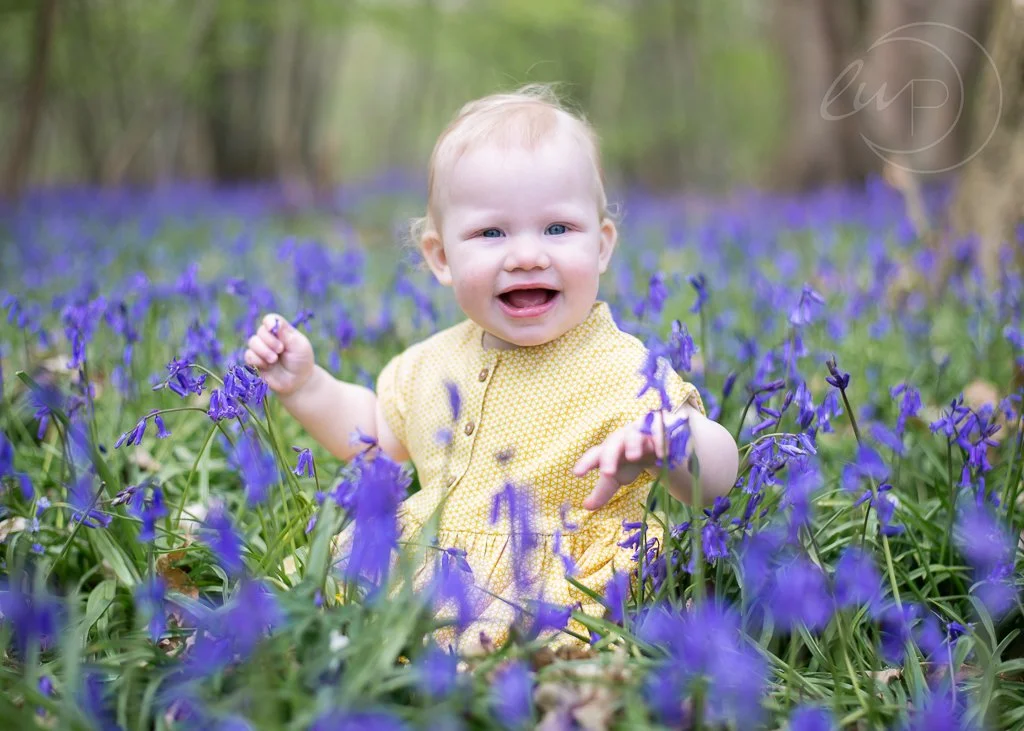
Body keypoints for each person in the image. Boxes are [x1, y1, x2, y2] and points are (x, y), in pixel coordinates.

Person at [243, 84, 739, 654]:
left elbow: (719, 476)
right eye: (490, 233)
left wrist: (673, 442)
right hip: (429, 566)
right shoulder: (431, 361)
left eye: (557, 228)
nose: (526, 254)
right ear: (441, 257)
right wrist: (308, 386)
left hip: (560, 579)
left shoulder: (624, 368)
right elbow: (374, 432)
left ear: (602, 247)